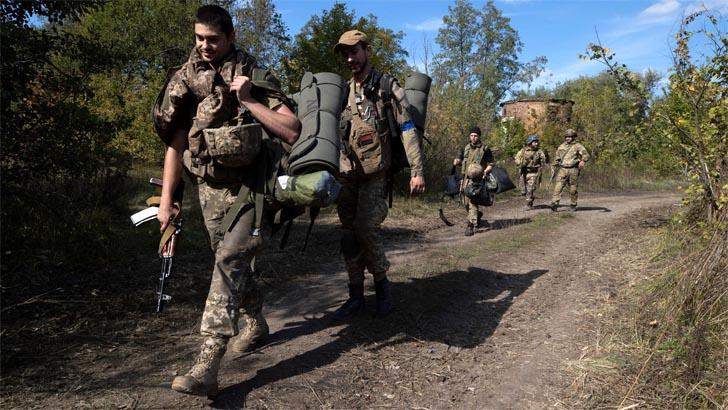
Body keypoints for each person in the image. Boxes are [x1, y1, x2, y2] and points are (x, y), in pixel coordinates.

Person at [153, 5, 300, 396]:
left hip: (252, 188)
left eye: (213, 40)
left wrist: (250, 100)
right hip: (209, 190)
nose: (204, 46)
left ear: (231, 38)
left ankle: (207, 363)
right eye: (199, 38)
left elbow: (291, 129)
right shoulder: (186, 78)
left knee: (230, 259)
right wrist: (167, 201)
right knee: (230, 262)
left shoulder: (254, 73)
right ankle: (256, 321)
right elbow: (177, 143)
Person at [332, 30, 426, 319]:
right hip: (347, 176)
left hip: (375, 175)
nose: (351, 58)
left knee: (366, 230)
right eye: (346, 54)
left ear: (367, 50)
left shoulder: (386, 86)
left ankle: (383, 288)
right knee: (349, 236)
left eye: (355, 52)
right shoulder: (343, 91)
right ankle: (355, 295)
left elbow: (408, 129)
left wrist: (417, 171)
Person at [454, 126, 494, 236]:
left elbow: (491, 163)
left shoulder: (485, 149)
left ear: (479, 136)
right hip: (465, 179)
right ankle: (477, 214)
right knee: (465, 202)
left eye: (475, 135)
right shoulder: (465, 147)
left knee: (472, 202)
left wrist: (486, 171)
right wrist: (457, 161)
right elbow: (460, 159)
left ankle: (470, 225)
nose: (473, 138)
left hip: (477, 181)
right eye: (471, 135)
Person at [549, 128, 590, 211]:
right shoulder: (561, 146)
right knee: (558, 187)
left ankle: (573, 204)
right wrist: (553, 166)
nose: (568, 138)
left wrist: (583, 161)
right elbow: (557, 158)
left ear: (574, 137)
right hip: (562, 169)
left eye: (570, 137)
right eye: (566, 136)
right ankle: (554, 203)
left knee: (573, 189)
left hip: (573, 170)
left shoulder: (578, 146)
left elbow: (586, 155)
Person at [514, 135, 549, 210]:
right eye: (534, 142)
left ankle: (528, 204)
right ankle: (529, 199)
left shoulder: (539, 152)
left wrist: (545, 156)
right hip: (524, 172)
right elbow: (517, 158)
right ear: (530, 143)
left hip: (534, 172)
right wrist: (520, 163)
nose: (536, 144)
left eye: (536, 142)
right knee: (524, 190)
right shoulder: (523, 151)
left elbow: (544, 160)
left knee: (531, 189)